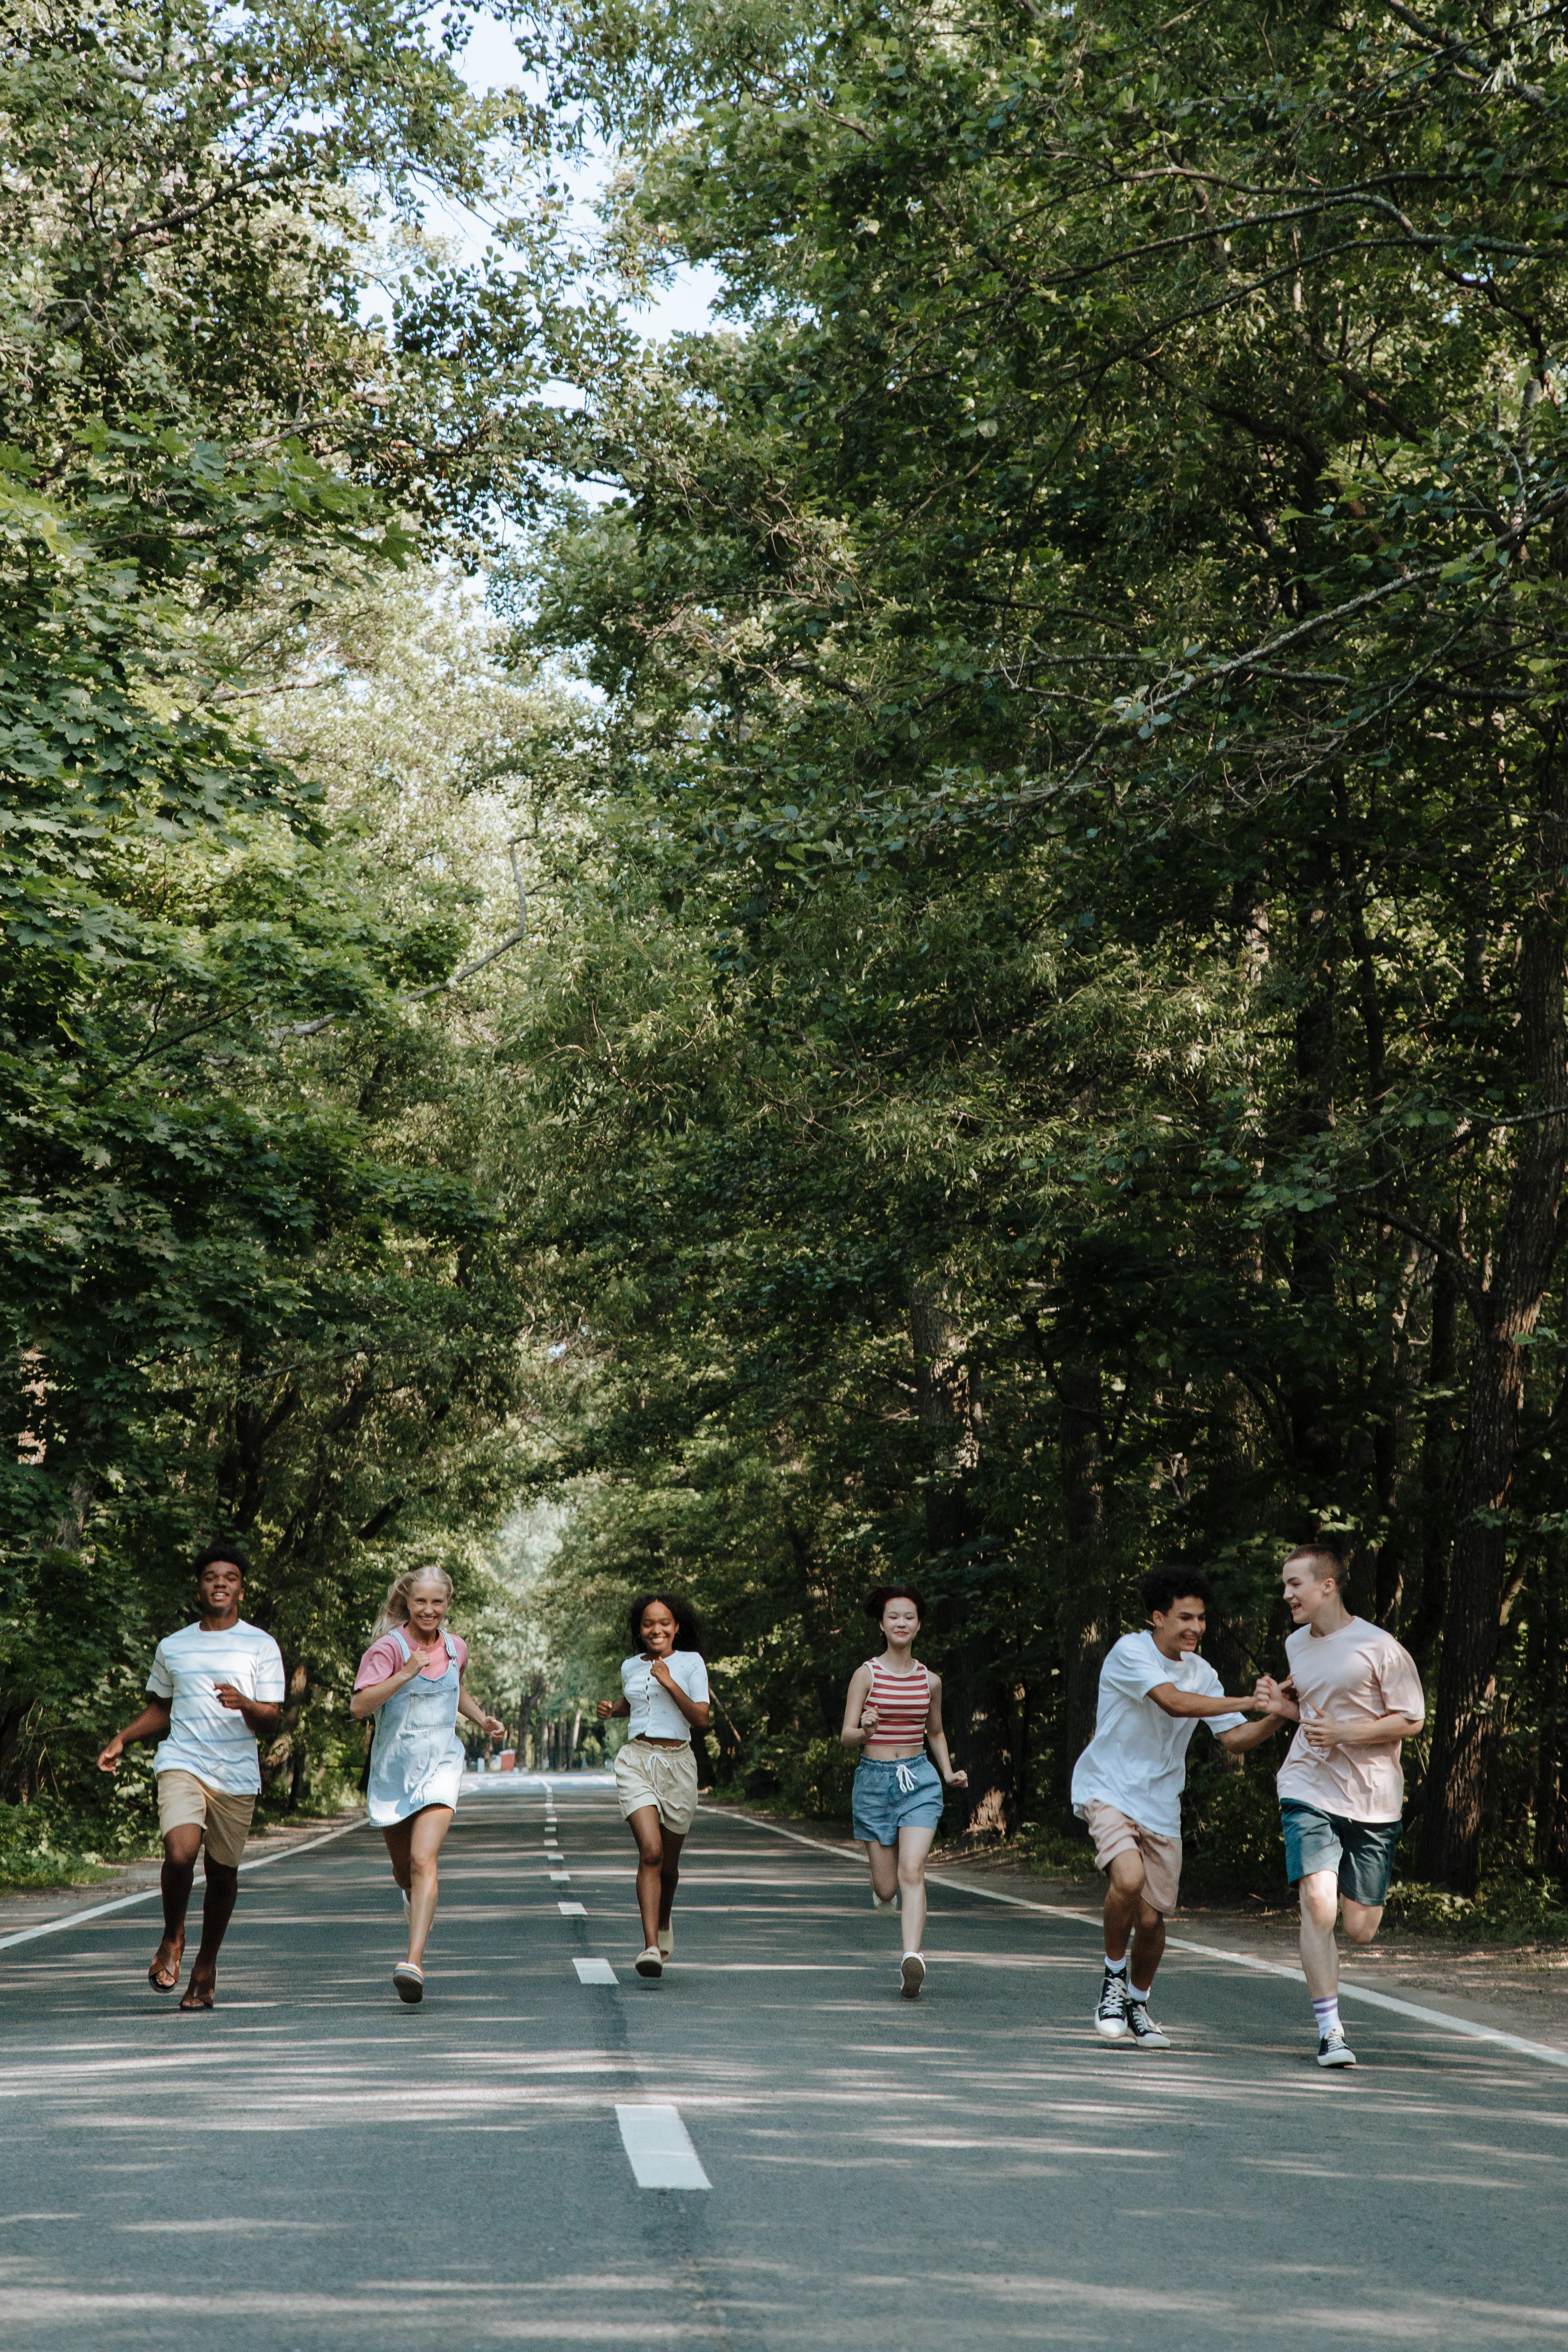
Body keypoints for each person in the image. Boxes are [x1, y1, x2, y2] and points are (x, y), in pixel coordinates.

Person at [1071, 1566, 1283, 2047]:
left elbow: (1233, 1739)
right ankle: (1110, 1981)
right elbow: (1171, 1702)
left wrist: (1276, 1714)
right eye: (1184, 1617)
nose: (1195, 1627)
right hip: (1107, 1788)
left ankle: (1137, 2004)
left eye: (1201, 1619)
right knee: (1126, 1877)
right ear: (1156, 1617)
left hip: (1161, 1804)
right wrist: (1251, 1697)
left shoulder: (1203, 1673)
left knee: (1150, 1919)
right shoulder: (1131, 1651)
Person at [1255, 1542, 1425, 2069]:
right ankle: (1330, 2032)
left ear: (1326, 1585)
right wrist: (1279, 1706)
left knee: (1359, 1927)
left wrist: (1345, 1731)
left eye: (1294, 1585)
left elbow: (1411, 1719)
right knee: (1316, 1904)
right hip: (1308, 1787)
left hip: (1373, 1798)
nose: (1286, 1595)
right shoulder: (1295, 1645)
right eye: (1284, 1586)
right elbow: (1311, 1712)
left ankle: (1333, 2018)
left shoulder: (1379, 1647)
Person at [97, 1547, 285, 2010]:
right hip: (182, 1760)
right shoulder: (174, 1646)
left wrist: (246, 1703)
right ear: (198, 1586)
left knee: (222, 1874)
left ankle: (205, 1966)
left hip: (236, 1773)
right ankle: (172, 1935)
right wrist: (122, 1738)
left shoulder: (260, 1645)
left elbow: (272, 1719)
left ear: (241, 1588)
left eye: (230, 1576)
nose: (219, 1583)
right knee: (180, 1853)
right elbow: (161, 1708)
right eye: (210, 1576)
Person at [350, 1566, 504, 2003]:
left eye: (438, 1602)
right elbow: (359, 1706)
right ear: (408, 1602)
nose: (429, 1610)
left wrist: (482, 1720)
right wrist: (404, 1673)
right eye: (421, 1602)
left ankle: (413, 1961)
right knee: (405, 1873)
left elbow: (456, 1688)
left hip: (441, 1766)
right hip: (395, 1771)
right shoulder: (388, 1649)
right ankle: (413, 1898)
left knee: (423, 1860)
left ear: (447, 1605)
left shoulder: (456, 1648)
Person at [839, 1586, 967, 2002]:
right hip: (874, 1782)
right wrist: (867, 1731)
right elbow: (846, 1737)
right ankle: (883, 1896)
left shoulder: (930, 1680)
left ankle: (912, 1956)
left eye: (909, 1617)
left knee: (912, 1870)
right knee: (885, 1889)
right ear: (882, 1624)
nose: (901, 1623)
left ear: (918, 1624)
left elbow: (935, 1731)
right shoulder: (866, 1674)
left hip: (919, 1781)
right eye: (893, 1617)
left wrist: (947, 1774)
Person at [596, 1593, 711, 1979]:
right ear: (639, 1630)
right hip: (637, 1761)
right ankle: (649, 1947)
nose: (656, 1630)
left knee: (670, 1866)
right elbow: (637, 1702)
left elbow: (700, 1718)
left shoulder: (691, 1663)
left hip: (678, 1765)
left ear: (677, 1627)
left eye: (664, 1623)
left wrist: (669, 1680)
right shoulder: (630, 1666)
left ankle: (663, 1921)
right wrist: (613, 1709)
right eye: (648, 1624)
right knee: (651, 1852)